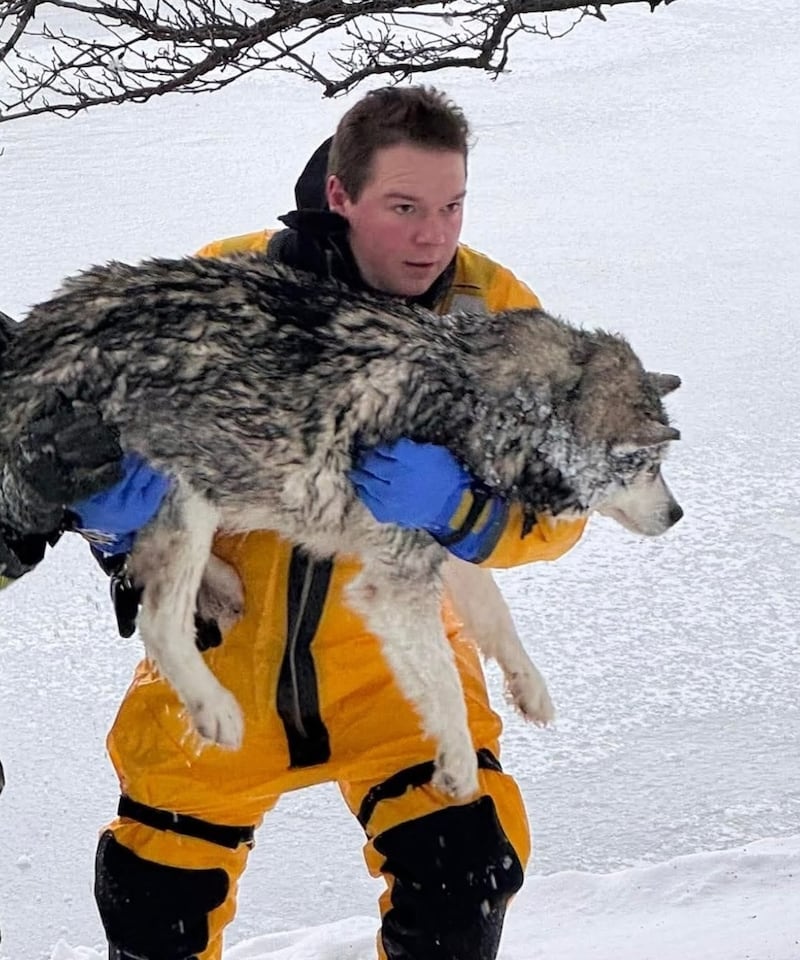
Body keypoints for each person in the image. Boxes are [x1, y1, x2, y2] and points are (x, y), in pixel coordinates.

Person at [0, 86, 587, 960]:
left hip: (390, 662)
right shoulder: (230, 281)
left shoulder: (496, 317)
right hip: (227, 653)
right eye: (404, 208)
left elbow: (564, 505)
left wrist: (458, 508)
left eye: (452, 205)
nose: (434, 236)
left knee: (465, 869)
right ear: (341, 196)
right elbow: (97, 446)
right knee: (150, 900)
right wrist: (113, 524)